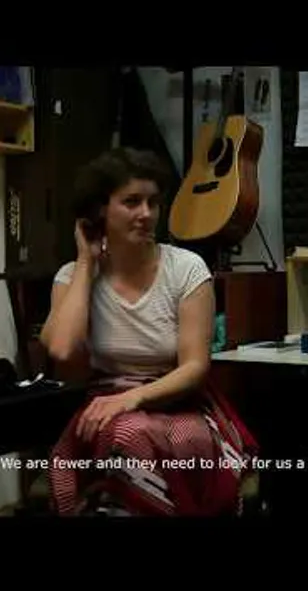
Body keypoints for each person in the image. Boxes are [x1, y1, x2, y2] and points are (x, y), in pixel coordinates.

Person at [39, 146, 258, 516]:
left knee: (150, 436)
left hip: (178, 404)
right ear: (100, 210)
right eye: (131, 202)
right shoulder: (73, 277)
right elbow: (61, 348)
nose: (146, 213)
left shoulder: (186, 268)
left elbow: (195, 367)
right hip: (105, 408)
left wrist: (133, 399)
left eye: (153, 203)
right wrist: (86, 261)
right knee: (125, 433)